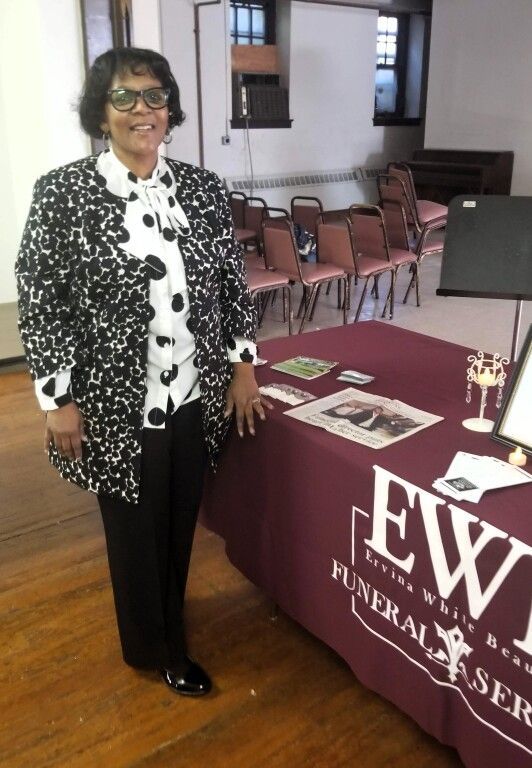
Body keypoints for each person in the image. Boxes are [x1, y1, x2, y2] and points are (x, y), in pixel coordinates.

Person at [15, 47, 271, 697]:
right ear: (101, 112)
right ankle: (155, 649)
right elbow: (42, 298)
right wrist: (56, 398)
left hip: (193, 391)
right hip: (112, 399)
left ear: (169, 108)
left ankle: (168, 615)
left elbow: (232, 286)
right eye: (124, 97)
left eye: (154, 96)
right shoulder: (63, 194)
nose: (142, 110)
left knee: (179, 515)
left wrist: (243, 365)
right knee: (133, 528)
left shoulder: (205, 189)